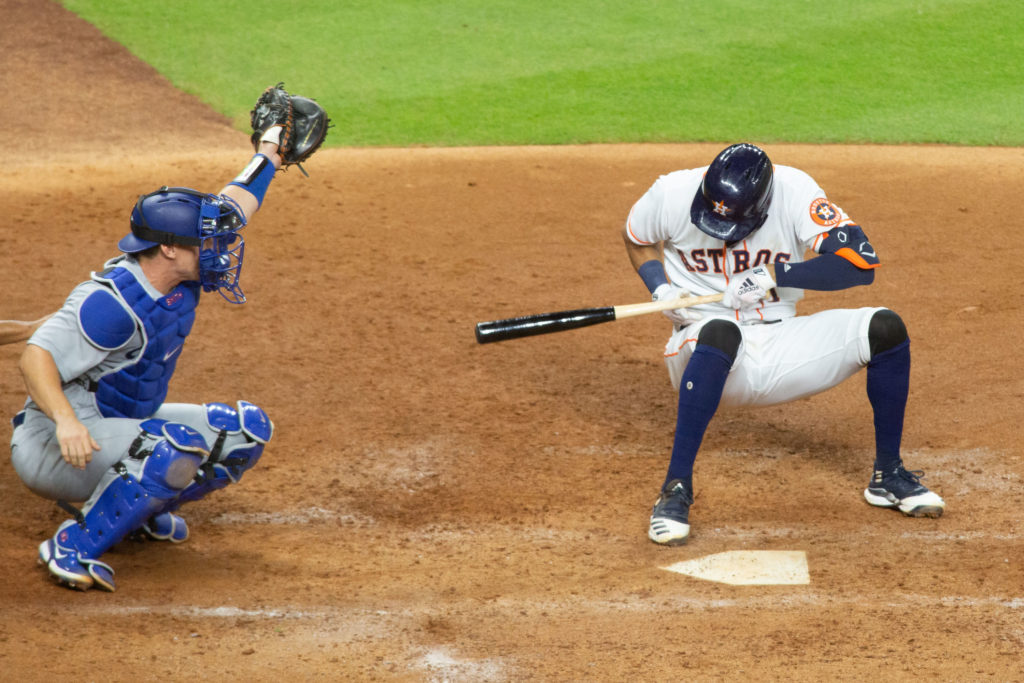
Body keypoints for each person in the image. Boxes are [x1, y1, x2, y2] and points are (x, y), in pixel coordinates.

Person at [10, 122, 289, 591]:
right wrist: (65, 422)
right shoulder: (112, 303)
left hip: (112, 425)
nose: (218, 250)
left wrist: (270, 154)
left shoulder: (181, 275)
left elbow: (234, 206)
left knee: (241, 433)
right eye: (206, 243)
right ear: (168, 248)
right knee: (170, 446)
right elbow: (35, 357)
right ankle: (72, 545)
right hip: (54, 446)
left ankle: (133, 512)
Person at [622, 142, 944, 546]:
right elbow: (636, 237)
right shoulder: (671, 193)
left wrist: (776, 273)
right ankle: (675, 490)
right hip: (700, 344)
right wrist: (660, 289)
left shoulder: (795, 192)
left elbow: (861, 265)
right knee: (722, 330)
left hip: (782, 339)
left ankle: (888, 475)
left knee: (884, 328)